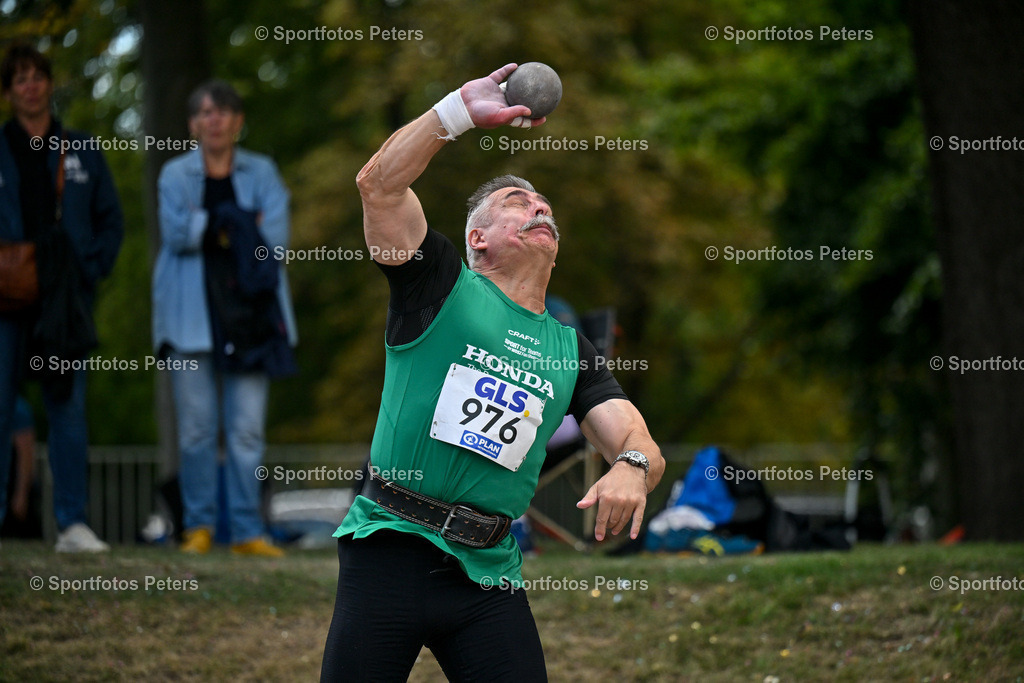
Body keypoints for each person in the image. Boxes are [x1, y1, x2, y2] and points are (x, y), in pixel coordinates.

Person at [321, 63, 665, 681]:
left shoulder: (570, 349)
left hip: (486, 574)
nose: (538, 208)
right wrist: (455, 112)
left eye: (544, 204)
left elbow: (637, 441)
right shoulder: (438, 283)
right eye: (517, 203)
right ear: (478, 238)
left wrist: (633, 471)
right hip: (391, 547)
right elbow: (378, 185)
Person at [153, 79, 296, 557]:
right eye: (203, 112)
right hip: (189, 320)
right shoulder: (174, 174)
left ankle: (248, 530)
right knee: (195, 430)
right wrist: (237, 222)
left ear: (237, 121)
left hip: (251, 322)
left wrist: (215, 223)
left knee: (247, 431)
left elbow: (272, 240)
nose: (213, 119)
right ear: (192, 124)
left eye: (223, 111)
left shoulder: (263, 171)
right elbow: (176, 234)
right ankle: (197, 527)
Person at [0, 43, 122, 552]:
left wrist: (87, 271)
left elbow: (110, 219)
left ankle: (72, 524)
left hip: (63, 303)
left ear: (49, 83)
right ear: (8, 91)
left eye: (38, 75)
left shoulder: (81, 148)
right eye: (19, 78)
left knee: (67, 409)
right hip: (4, 302)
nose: (30, 84)